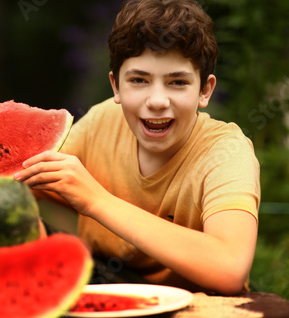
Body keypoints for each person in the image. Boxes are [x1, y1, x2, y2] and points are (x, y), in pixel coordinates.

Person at [15, 0, 260, 295]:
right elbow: (24, 182)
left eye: (177, 82)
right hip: (102, 284)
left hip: (199, 308)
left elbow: (229, 267)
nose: (157, 100)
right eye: (139, 80)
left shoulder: (226, 152)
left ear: (205, 90)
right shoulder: (103, 120)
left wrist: (96, 200)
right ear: (116, 86)